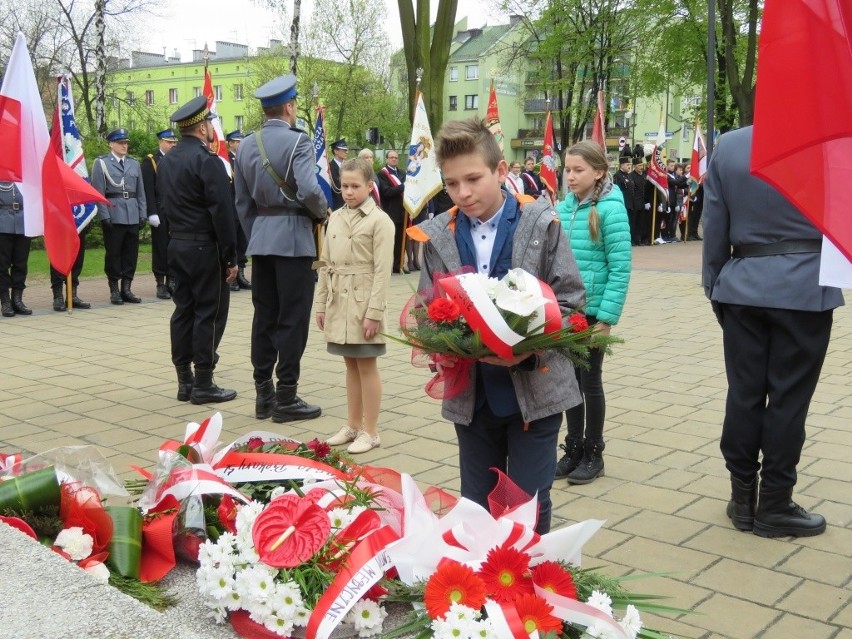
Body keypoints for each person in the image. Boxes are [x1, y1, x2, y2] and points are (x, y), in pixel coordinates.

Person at [407, 118, 586, 534]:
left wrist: (530, 349)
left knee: (527, 504)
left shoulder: (541, 224)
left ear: (501, 171)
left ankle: (529, 581)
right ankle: (483, 587)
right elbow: (427, 309)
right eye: (452, 184)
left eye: (473, 178)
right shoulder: (438, 236)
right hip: (473, 399)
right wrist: (445, 344)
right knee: (476, 503)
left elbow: (571, 301)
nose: (463, 193)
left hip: (535, 394)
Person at [702, 125, 843, 538]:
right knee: (788, 399)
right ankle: (775, 504)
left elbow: (715, 225)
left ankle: (742, 500)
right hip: (804, 287)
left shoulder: (728, 145)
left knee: (744, 393)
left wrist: (715, 285)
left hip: (742, 285)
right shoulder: (824, 141)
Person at [234, 74, 328, 423]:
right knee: (292, 320)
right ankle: (287, 396)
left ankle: (263, 396)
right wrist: (323, 213)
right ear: (289, 107)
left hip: (262, 239)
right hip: (294, 239)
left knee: (264, 318)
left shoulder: (245, 145)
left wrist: (257, 233)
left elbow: (241, 202)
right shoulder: (299, 142)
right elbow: (307, 189)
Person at [555, 141, 632, 484]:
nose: (569, 177)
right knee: (568, 384)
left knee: (589, 381)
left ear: (598, 172)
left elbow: (620, 268)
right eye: (567, 170)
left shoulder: (611, 209)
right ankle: (572, 448)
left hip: (593, 313)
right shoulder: (565, 206)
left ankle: (594, 453)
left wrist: (606, 319)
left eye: (577, 170)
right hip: (566, 310)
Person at [156, 96, 238, 404]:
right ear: (202, 127)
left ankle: (184, 380)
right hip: (205, 247)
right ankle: (204, 381)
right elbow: (223, 213)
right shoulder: (207, 161)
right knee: (210, 312)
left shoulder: (167, 162)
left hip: (177, 244)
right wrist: (231, 256)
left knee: (183, 310)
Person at [316, 158, 395, 454]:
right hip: (339, 299)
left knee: (366, 364)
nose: (348, 192)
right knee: (350, 363)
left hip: (363, 302)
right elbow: (324, 263)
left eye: (355, 186)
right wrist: (321, 304)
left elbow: (382, 271)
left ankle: (370, 430)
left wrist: (374, 312)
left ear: (369, 186)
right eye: (344, 186)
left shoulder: (380, 221)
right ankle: (351, 424)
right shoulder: (334, 218)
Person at [91, 127, 147, 304]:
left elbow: (140, 192)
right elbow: (98, 192)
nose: (124, 146)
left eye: (126, 143)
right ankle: (114, 289)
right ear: (111, 144)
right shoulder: (101, 163)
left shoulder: (134, 163)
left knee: (131, 253)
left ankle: (127, 288)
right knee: (114, 253)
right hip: (114, 212)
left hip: (132, 212)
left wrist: (142, 213)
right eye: (120, 143)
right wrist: (104, 215)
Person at [141, 128, 177, 300]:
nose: (172, 145)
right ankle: (161, 283)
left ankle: (172, 281)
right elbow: (148, 189)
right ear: (160, 142)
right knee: (161, 247)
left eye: (174, 142)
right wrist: (151, 212)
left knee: (174, 247)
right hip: (159, 211)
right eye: (169, 142)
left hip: (175, 211)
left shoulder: (177, 159)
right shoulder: (151, 161)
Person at [0, 182, 32, 317]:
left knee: (21, 263)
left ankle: (17, 299)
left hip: (24, 222)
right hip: (2, 223)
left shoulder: (25, 176)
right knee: (2, 264)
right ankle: (5, 300)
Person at [226, 130, 252, 292]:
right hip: (231, 205)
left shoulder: (245, 159)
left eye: (241, 141)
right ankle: (232, 276)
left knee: (243, 241)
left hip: (244, 207)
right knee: (233, 241)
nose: (240, 144)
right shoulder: (225, 159)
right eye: (237, 141)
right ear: (230, 143)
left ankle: (241, 273)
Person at [377, 149, 407, 274]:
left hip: (402, 211)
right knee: (390, 240)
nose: (394, 159)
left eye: (396, 157)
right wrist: (402, 186)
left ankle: (398, 265)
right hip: (390, 211)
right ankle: (388, 265)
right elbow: (386, 192)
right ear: (387, 159)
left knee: (401, 240)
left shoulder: (402, 173)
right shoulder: (382, 174)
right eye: (391, 157)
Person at [612, 155, 635, 245]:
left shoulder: (628, 175)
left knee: (630, 222)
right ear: (621, 165)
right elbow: (617, 190)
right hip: (623, 203)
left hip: (630, 203)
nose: (628, 166)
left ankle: (630, 239)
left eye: (629, 164)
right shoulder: (617, 176)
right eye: (626, 164)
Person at [629, 157, 649, 246]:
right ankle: (632, 240)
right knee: (633, 222)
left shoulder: (644, 176)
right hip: (634, 203)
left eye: (642, 165)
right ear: (634, 166)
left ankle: (639, 239)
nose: (641, 167)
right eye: (639, 165)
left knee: (641, 223)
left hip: (643, 203)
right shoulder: (631, 176)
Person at [328, 138, 348, 210]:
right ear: (336, 151)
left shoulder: (349, 166)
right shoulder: (329, 168)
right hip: (336, 206)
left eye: (346, 150)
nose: (347, 152)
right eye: (344, 150)